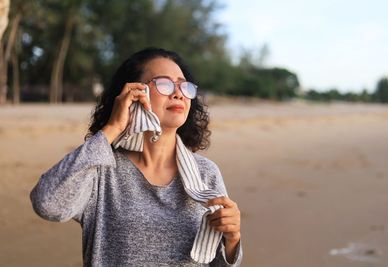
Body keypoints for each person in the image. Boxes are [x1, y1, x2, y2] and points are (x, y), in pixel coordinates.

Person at [30, 47, 242, 266]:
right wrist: (112, 129)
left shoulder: (205, 173)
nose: (178, 93)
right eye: (164, 83)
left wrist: (232, 240)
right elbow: (48, 204)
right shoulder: (101, 169)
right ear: (133, 93)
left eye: (184, 85)